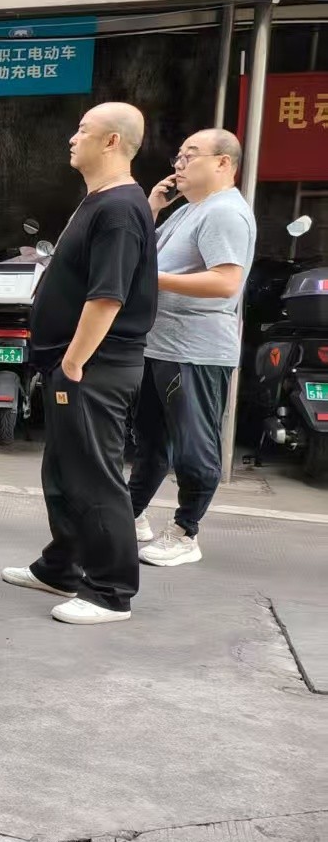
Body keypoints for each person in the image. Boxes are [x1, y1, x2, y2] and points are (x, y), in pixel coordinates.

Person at [2, 102, 158, 626]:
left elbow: (107, 297)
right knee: (64, 471)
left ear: (111, 141)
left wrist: (73, 362)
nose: (73, 138)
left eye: (83, 130)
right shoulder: (100, 200)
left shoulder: (119, 210)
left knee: (94, 476)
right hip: (76, 365)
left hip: (95, 367)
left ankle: (111, 591)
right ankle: (61, 567)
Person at [128, 130, 256, 567]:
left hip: (194, 350)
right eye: (178, 156)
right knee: (150, 441)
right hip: (161, 345)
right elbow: (146, 252)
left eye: (191, 156)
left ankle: (185, 532)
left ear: (223, 163)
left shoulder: (224, 213)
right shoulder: (190, 209)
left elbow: (225, 281)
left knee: (193, 448)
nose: (179, 164)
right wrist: (152, 207)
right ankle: (130, 515)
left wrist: (152, 281)